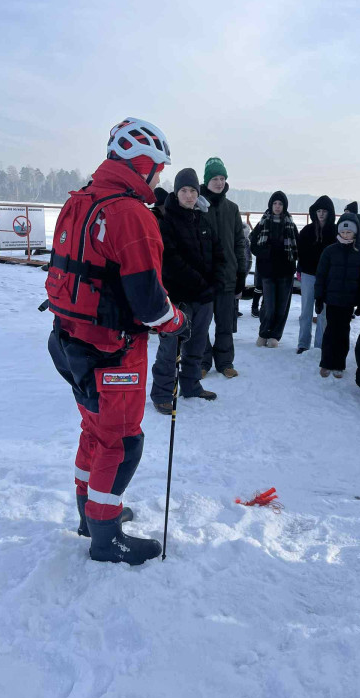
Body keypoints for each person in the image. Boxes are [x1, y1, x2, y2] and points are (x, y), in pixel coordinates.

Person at [45, 117, 189, 566]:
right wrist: (177, 322)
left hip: (69, 344)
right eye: (158, 169)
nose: (159, 179)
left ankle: (91, 515)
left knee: (94, 431)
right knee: (122, 442)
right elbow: (150, 304)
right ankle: (106, 538)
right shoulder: (130, 214)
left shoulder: (81, 199)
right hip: (113, 352)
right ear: (144, 164)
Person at [151, 168, 225, 413]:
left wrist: (217, 281)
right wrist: (201, 283)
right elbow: (171, 260)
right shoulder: (166, 222)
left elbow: (218, 254)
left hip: (204, 298)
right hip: (178, 298)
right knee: (170, 348)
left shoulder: (203, 220)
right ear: (176, 192)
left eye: (193, 190)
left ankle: (191, 385)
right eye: (184, 190)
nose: (189, 195)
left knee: (197, 344)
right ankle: (162, 393)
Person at [200, 157, 247, 379]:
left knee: (225, 324)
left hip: (227, 276)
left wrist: (241, 273)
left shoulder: (232, 209)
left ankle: (225, 362)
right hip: (204, 277)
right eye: (215, 179)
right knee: (201, 324)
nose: (219, 182)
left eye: (222, 178)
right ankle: (202, 362)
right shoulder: (198, 206)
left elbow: (239, 243)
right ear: (206, 181)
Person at [314, 213, 360, 378]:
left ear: (355, 233)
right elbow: (321, 275)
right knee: (330, 331)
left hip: (348, 301)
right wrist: (319, 297)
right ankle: (326, 362)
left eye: (349, 232)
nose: (346, 235)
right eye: (343, 232)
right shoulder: (330, 251)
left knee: (343, 332)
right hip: (331, 299)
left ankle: (339, 364)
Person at [250, 191, 298, 347]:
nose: (277, 206)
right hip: (267, 271)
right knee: (269, 306)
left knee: (281, 307)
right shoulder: (263, 223)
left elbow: (298, 248)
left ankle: (275, 335)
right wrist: (265, 252)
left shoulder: (291, 224)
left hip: (285, 271)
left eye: (280, 204)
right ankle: (264, 333)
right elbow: (253, 245)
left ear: (284, 206)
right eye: (275, 203)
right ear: (271, 205)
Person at [296, 195, 337, 353]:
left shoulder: (334, 231)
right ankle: (303, 343)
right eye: (318, 211)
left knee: (323, 312)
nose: (321, 214)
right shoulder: (307, 231)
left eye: (324, 211)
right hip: (308, 275)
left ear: (329, 213)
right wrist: (300, 268)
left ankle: (320, 345)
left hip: (327, 277)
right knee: (306, 311)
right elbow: (300, 252)